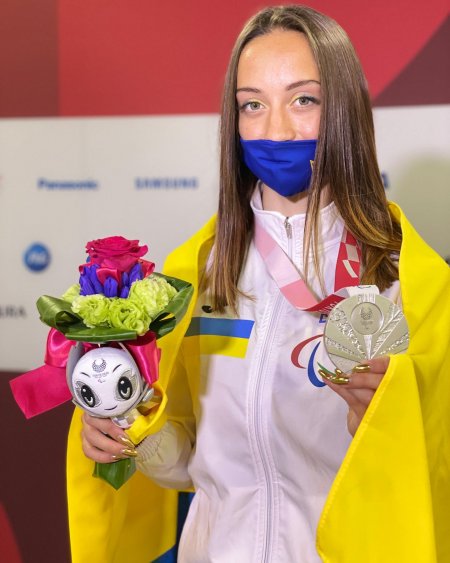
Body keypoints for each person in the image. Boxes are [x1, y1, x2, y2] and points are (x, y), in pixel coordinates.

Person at [69, 5, 450, 562]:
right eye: (253, 104)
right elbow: (191, 464)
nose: (276, 130)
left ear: (344, 109)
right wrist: (130, 430)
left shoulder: (408, 280)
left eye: (303, 100)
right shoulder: (195, 273)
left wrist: (378, 430)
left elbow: (430, 478)